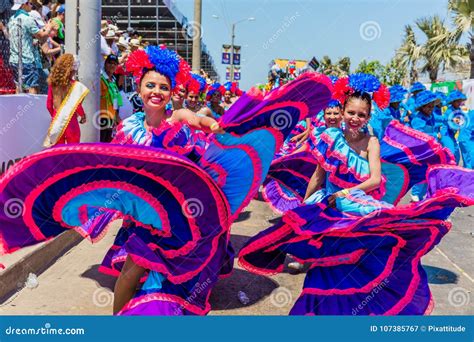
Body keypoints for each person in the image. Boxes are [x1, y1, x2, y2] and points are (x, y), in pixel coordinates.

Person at [0, 50, 334, 316]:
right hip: (141, 216)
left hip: (178, 218)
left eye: (163, 87)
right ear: (139, 87)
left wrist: (213, 125)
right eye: (150, 86)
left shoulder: (178, 118)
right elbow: (116, 167)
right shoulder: (127, 126)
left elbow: (199, 119)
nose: (157, 92)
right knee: (132, 269)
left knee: (173, 275)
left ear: (170, 92)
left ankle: (156, 308)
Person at [238, 73, 472, 315]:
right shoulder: (329, 138)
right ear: (342, 111)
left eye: (361, 115)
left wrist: (346, 193)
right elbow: (318, 177)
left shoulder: (372, 142)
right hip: (328, 207)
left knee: (365, 260)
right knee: (323, 266)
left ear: (368, 117)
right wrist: (304, 206)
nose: (355, 118)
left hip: (356, 205)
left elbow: (373, 180)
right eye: (351, 113)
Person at [8, 0, 53, 94]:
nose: (31, 6)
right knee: (33, 87)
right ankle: (32, 108)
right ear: (24, 5)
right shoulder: (27, 19)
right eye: (30, 3)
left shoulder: (12, 18)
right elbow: (41, 36)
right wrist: (49, 27)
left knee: (19, 86)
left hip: (14, 59)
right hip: (26, 59)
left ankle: (19, 106)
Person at [43, 53, 88, 147]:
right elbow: (77, 106)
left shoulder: (53, 84)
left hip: (56, 120)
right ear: (72, 69)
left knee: (58, 151)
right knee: (73, 149)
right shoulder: (74, 84)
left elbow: (48, 105)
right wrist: (83, 115)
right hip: (70, 121)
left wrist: (56, 116)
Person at [410, 90, 439, 201]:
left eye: (432, 107)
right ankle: (415, 193)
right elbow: (419, 135)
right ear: (422, 107)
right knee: (421, 171)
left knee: (430, 171)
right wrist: (433, 136)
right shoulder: (417, 119)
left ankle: (423, 194)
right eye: (428, 107)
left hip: (431, 149)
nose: (431, 109)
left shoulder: (431, 117)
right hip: (421, 150)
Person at [100, 54, 122, 142]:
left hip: (110, 117)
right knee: (101, 143)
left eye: (115, 63)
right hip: (101, 117)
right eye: (110, 63)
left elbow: (115, 101)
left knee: (107, 143)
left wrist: (116, 117)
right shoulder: (100, 78)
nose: (112, 65)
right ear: (105, 64)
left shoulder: (113, 80)